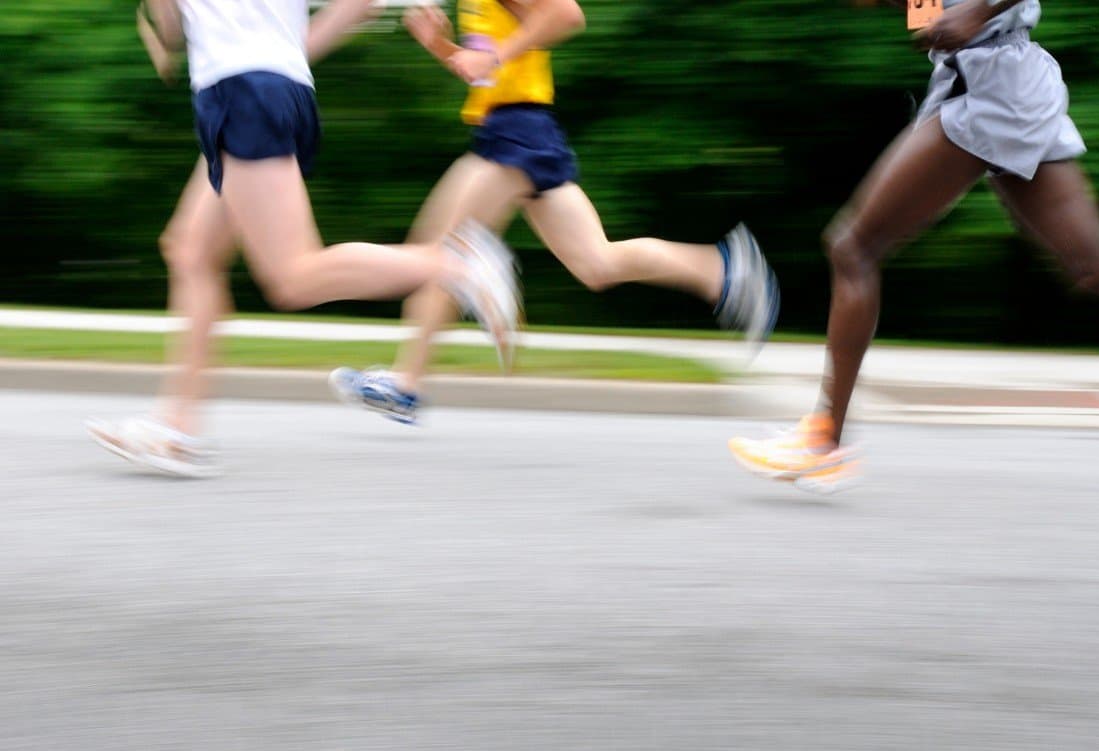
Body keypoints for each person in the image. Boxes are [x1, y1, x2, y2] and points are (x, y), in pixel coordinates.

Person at [728, 0, 1099, 493]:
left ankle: (824, 438)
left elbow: (969, 12)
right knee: (1096, 264)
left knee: (853, 248)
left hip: (996, 86)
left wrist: (978, 10)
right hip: (999, 81)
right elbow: (926, 14)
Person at [87, 0, 521, 476]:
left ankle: (458, 265)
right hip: (263, 87)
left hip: (243, 91)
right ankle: (176, 427)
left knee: (293, 275)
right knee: (192, 251)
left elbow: (171, 27)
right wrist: (283, 56)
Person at [327, 0, 780, 424]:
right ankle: (725, 271)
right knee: (598, 263)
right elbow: (487, 68)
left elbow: (564, 13)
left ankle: (410, 378)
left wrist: (495, 55)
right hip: (519, 130)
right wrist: (442, 47)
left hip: (515, 134)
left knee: (437, 251)